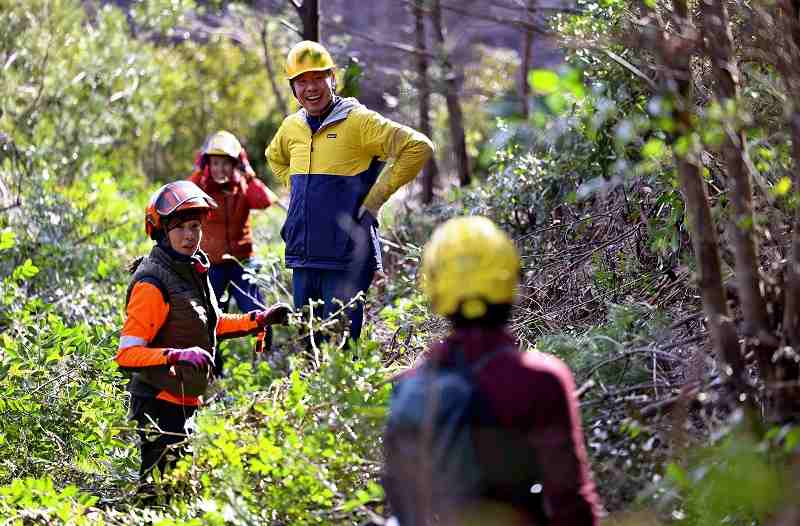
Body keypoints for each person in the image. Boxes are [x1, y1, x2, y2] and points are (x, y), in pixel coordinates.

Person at [383, 216, 601, 526]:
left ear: (433, 289)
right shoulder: (540, 381)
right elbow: (570, 503)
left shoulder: (409, 388)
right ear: (511, 280)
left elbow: (402, 501)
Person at [116, 180, 290, 488]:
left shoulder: (192, 269)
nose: (189, 235)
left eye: (195, 226)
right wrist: (177, 356)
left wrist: (259, 320)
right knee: (157, 491)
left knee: (177, 486)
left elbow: (212, 323)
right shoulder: (152, 283)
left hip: (184, 398)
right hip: (158, 400)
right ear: (161, 231)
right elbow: (127, 355)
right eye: (180, 227)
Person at [266, 40, 434, 342]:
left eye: (318, 78)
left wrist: (374, 200)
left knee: (341, 347)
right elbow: (274, 156)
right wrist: (299, 193)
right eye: (301, 81)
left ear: (333, 78)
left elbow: (417, 147)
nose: (311, 88)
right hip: (303, 255)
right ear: (293, 88)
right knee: (307, 346)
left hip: (346, 255)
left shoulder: (358, 122)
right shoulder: (292, 127)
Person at [190, 130, 280, 314]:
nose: (220, 169)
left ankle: (264, 344)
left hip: (243, 262)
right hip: (211, 264)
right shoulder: (202, 187)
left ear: (235, 165)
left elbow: (264, 200)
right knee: (208, 316)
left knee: (258, 312)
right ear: (208, 164)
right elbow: (186, 194)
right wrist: (199, 171)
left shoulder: (243, 186)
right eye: (215, 163)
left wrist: (248, 173)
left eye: (225, 164)